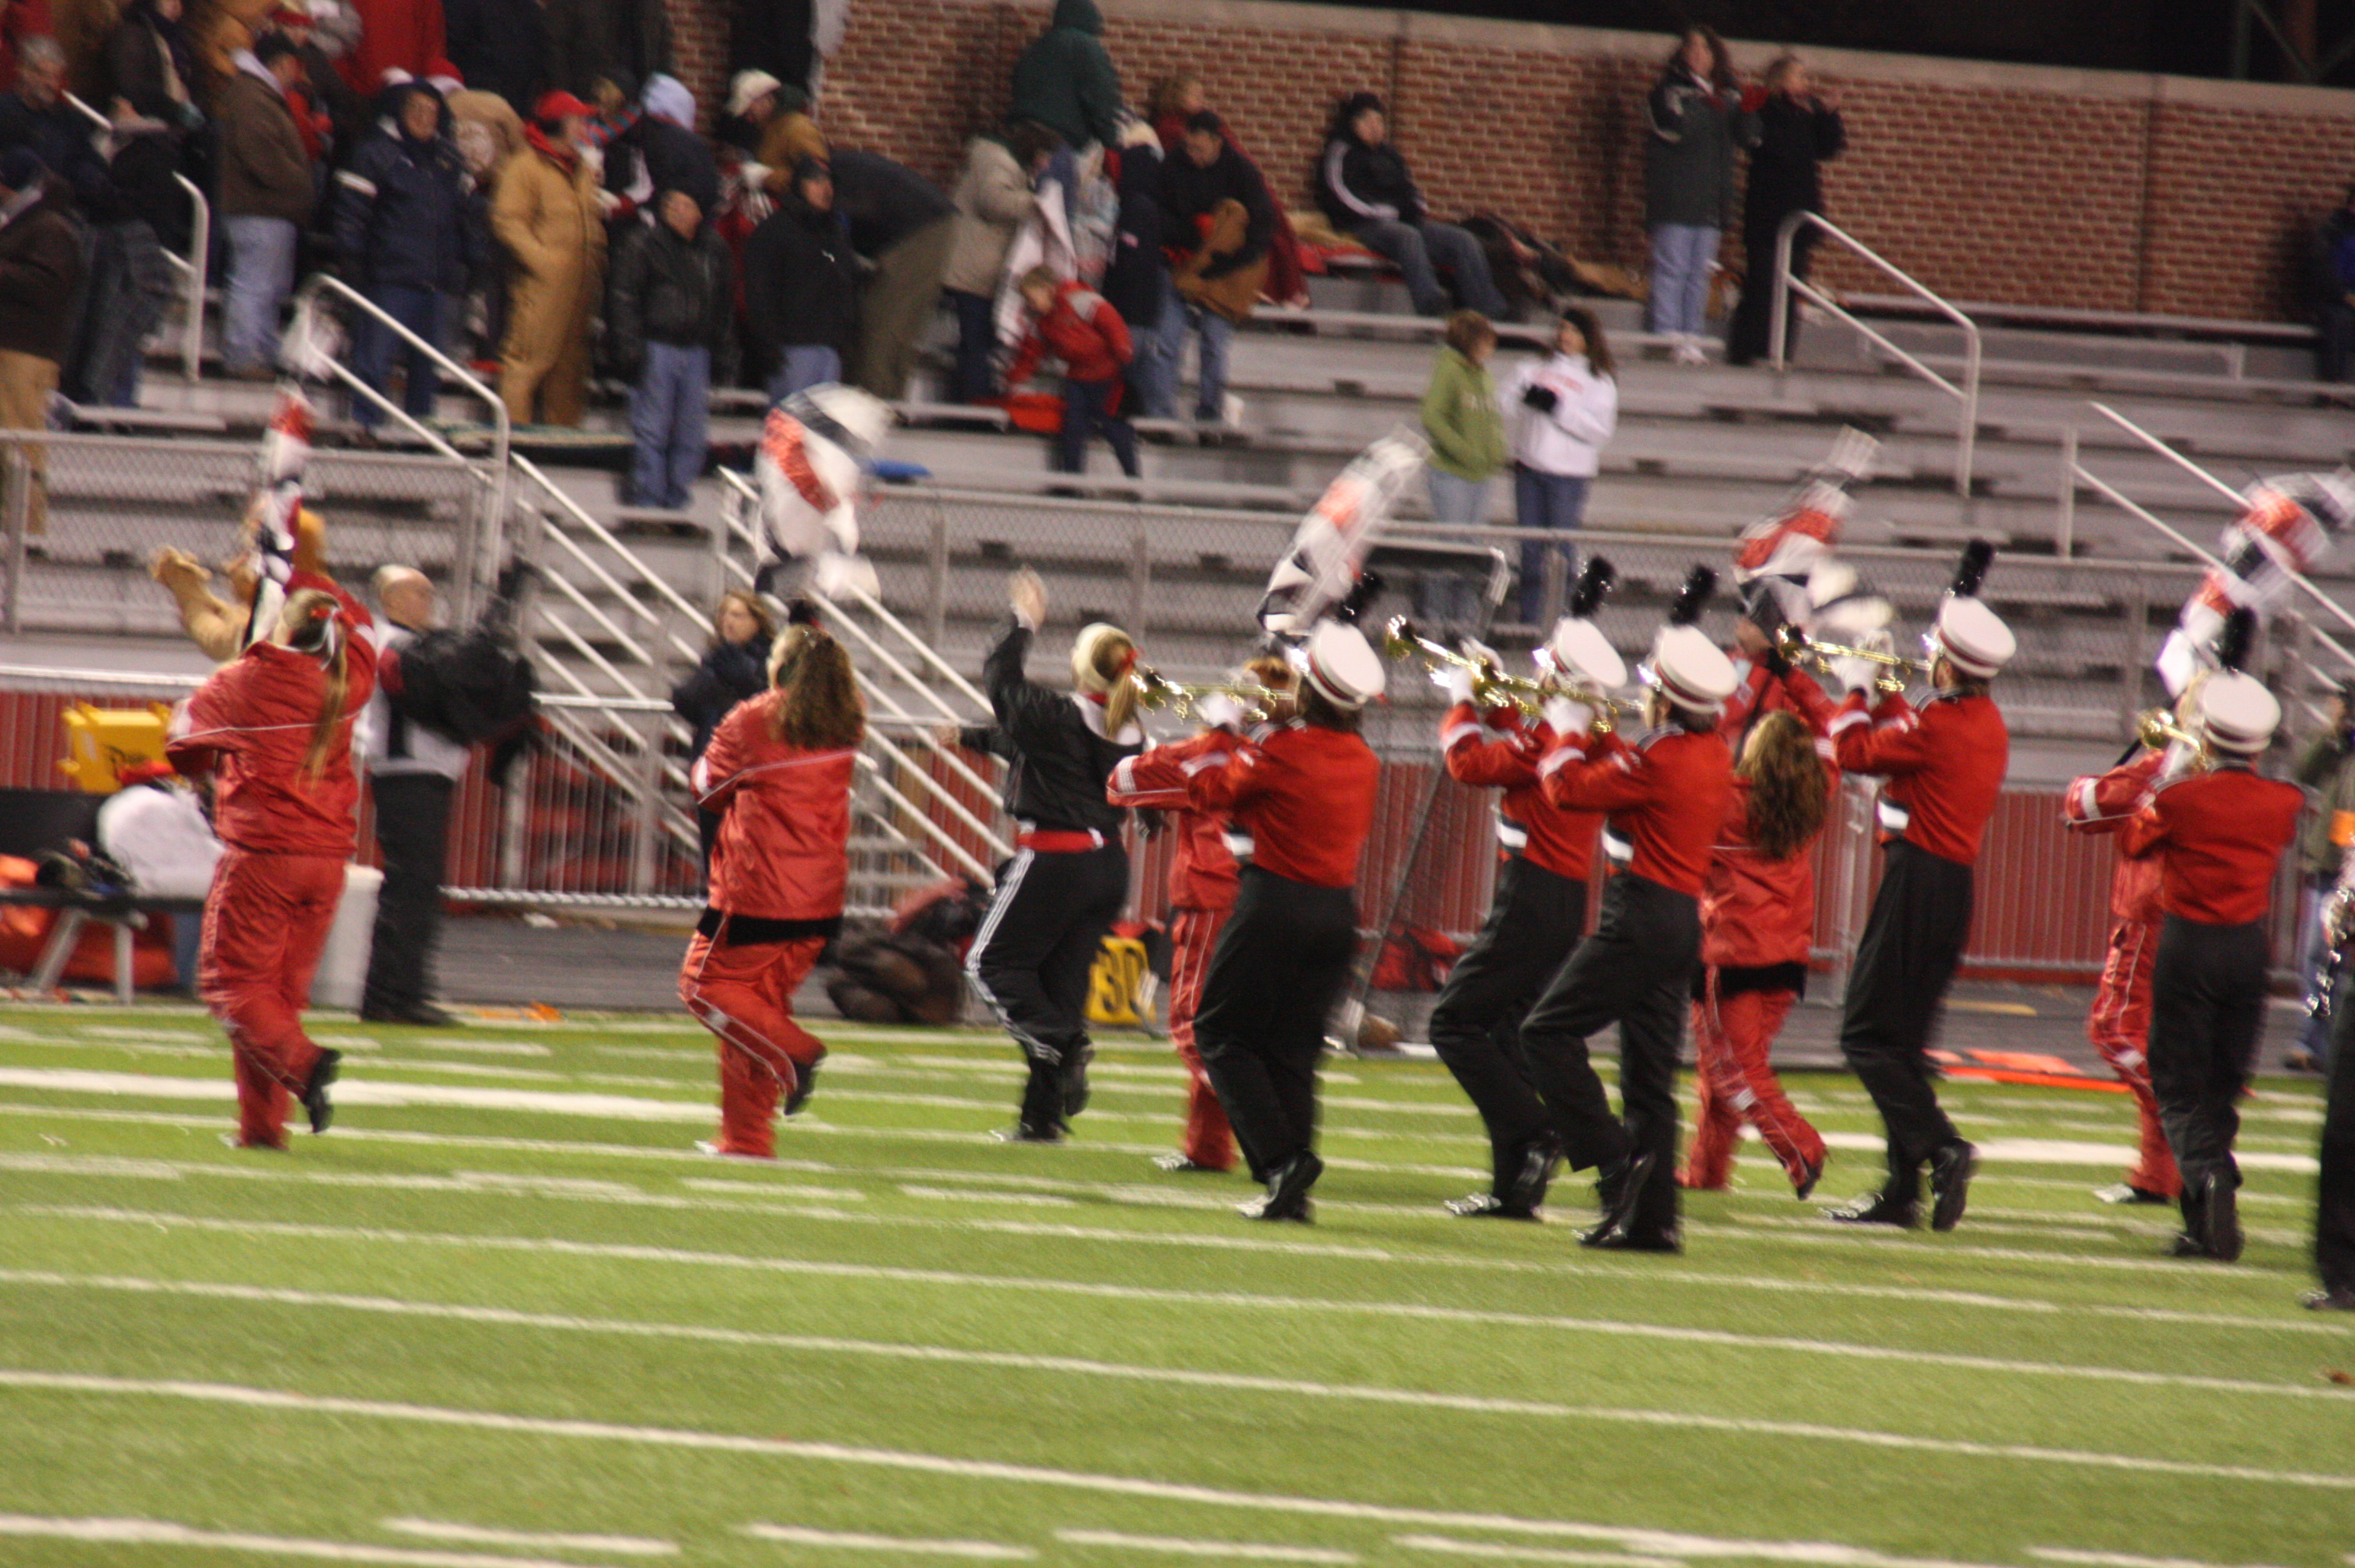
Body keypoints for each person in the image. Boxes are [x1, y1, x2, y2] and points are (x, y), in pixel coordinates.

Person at [1508, 593, 1737, 1250]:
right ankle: (1655, 1222)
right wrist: (1591, 728)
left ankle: (1615, 1159)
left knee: (1545, 1034)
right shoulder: (1710, 751)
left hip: (1639, 916)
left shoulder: (1661, 756)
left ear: (1665, 698)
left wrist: (1565, 724)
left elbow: (1564, 789)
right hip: (1678, 925)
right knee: (1649, 1081)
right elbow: (1625, 777)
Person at [165, 558, 379, 1150]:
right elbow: (357, 620)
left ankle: (308, 1066)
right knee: (274, 1001)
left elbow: (182, 739)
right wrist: (295, 569)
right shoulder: (352, 673)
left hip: (265, 854)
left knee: (231, 987)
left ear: (280, 626)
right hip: (328, 858)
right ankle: (262, 1131)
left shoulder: (251, 679)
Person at [1823, 568, 2013, 1232]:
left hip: (1917, 882)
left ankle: (1942, 1148)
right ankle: (1901, 1191)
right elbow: (1907, 742)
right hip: (1949, 887)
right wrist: (1887, 697)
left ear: (1951, 662)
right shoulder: (1981, 719)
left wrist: (1854, 685)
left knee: (1865, 1036)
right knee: (1901, 1044)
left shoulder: (1935, 721)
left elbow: (1850, 752)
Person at [1184, 622, 1383, 1221]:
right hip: (1336, 915)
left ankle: (1279, 1163)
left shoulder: (1282, 749)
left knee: (1218, 1034)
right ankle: (1292, 1184)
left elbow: (1211, 789)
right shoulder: (1366, 758)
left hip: (1274, 904)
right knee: (1293, 1052)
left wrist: (1223, 725)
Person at [2122, 673, 2302, 1262]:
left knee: (2176, 1085)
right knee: (2221, 1088)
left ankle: (2210, 1178)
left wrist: (2173, 775)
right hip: (2249, 952)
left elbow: (2133, 843)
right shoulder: (2284, 801)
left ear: (2209, 734)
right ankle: (2205, 1227)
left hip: (2190, 946)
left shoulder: (2179, 798)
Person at [964, 567, 1145, 1143]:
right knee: (1061, 989)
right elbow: (1026, 738)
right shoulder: (1128, 724)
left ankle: (1066, 1047)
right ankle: (1042, 1118)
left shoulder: (1061, 715)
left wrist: (1023, 620)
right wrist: (969, 737)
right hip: (1106, 865)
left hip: (1055, 859)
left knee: (988, 965)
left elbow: (1001, 680)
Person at [1425, 647, 1604, 1218]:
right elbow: (1513, 747)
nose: (1538, 679)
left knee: (1452, 1023)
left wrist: (1461, 698)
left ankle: (1538, 1131)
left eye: (1548, 672)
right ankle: (1513, 1190)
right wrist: (1493, 698)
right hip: (1562, 899)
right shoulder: (1572, 739)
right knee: (1508, 1037)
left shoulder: (1549, 742)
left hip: (1532, 896)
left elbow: (1468, 764)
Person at [1104, 654, 1299, 1174]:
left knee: (1193, 1027)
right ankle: (1208, 1148)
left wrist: (1211, 731)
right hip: (1271, 899)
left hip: (1213, 898)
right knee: (1230, 1026)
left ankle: (1268, 1132)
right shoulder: (1284, 752)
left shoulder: (1214, 755)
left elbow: (1121, 781)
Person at [680, 616, 863, 1159]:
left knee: (702, 987)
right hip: (820, 894)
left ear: (780, 665)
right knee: (753, 1014)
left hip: (760, 888)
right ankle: (748, 1138)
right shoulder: (846, 715)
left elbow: (708, 786)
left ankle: (798, 1054)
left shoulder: (757, 716)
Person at [1679, 706, 1833, 1198]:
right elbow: (1834, 739)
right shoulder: (1813, 802)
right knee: (1727, 1067)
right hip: (1787, 957)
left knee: (1733, 1070)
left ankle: (1799, 1146)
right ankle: (1706, 1172)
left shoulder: (1727, 804)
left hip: (1734, 955)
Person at [2061, 740, 2180, 1207]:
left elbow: (2089, 806)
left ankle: (2190, 1132)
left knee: (2116, 1030)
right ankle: (2159, 1174)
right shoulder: (2242, 777)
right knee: (2162, 1040)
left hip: (2152, 915)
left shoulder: (2167, 772)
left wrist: (2148, 763)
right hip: (2203, 926)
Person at [355, 564, 469, 1027]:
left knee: (417, 886)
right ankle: (393, 995)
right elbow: (427, 697)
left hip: (420, 772)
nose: (430, 601)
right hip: (407, 772)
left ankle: (402, 990)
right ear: (392, 599)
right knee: (411, 887)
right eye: (419, 593)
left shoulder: (403, 644)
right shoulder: (392, 645)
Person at [336, 78, 477, 436]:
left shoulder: (450, 160)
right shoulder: (375, 153)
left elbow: (467, 217)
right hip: (390, 277)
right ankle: (366, 427)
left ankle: (419, 434)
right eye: (416, 109)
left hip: (436, 282)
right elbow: (351, 214)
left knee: (426, 367)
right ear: (400, 111)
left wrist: (468, 263)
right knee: (374, 358)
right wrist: (352, 260)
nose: (424, 118)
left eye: (431, 111)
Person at [1314, 92, 1507, 320]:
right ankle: (1431, 303)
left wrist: (1417, 206)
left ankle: (1489, 309)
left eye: (1379, 121)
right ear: (1353, 123)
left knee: (1463, 240)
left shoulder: (1389, 154)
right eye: (1368, 121)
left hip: (1403, 220)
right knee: (1408, 236)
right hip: (1362, 224)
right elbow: (1340, 196)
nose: (1375, 127)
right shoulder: (1340, 151)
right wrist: (1389, 213)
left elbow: (1409, 188)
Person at [1146, 109, 1272, 428]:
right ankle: (1162, 419)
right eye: (1188, 147)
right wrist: (1192, 234)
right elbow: (1156, 215)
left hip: (1223, 270)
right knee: (1166, 342)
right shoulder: (1173, 167)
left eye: (1199, 149)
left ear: (1218, 143)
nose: (1192, 154)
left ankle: (1209, 417)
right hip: (1179, 262)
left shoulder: (1242, 171)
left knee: (1215, 344)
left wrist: (1233, 258)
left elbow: (1262, 224)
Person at [492, 88, 606, 426]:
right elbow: (506, 220)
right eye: (578, 120)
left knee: (570, 372)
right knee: (527, 363)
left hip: (580, 288)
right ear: (559, 124)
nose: (585, 127)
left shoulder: (582, 169)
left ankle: (561, 448)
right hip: (542, 288)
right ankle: (513, 447)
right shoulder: (525, 166)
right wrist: (544, 263)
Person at [609, 187, 728, 508]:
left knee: (691, 435)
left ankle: (677, 499)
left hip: (697, 351)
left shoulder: (713, 250)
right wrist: (629, 347)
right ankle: (648, 499)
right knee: (652, 431)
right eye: (671, 205)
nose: (677, 210)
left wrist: (724, 353)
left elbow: (723, 306)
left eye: (685, 204)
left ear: (700, 213)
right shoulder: (643, 244)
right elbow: (624, 298)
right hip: (656, 346)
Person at [1148, 71, 1307, 309]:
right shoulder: (1176, 137)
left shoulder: (1218, 145)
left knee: (1270, 224)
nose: (1202, 102)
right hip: (1203, 220)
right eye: (1196, 96)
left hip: (1236, 207)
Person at [1724, 53, 1845, 367]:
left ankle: (1781, 353)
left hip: (1799, 216)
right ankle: (1750, 351)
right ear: (1780, 80)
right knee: (1762, 286)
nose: (1805, 84)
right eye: (1799, 77)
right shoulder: (1763, 107)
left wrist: (1830, 115)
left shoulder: (1807, 114)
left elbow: (1829, 148)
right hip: (1767, 214)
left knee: (1792, 289)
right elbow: (1758, 141)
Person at [1644, 25, 1755, 363]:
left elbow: (1750, 138)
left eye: (1704, 49)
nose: (1696, 55)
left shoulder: (1727, 96)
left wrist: (1745, 107)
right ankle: (1666, 336)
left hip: (1712, 200)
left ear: (1715, 56)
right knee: (1672, 269)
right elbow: (1672, 130)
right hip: (1676, 199)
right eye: (1690, 48)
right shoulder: (1668, 91)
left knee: (1699, 273)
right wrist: (1709, 109)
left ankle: (1691, 336)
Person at [1499, 309, 1617, 626]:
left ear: (1588, 338)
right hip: (1529, 470)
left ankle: (1563, 621)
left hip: (1569, 477)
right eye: (1563, 329)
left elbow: (1600, 432)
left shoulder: (1599, 380)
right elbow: (1502, 400)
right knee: (1530, 551)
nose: (1566, 337)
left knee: (1562, 551)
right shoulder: (1534, 366)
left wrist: (1558, 408)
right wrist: (1526, 397)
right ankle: (1530, 620)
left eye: (1575, 332)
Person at [216, 31, 313, 378]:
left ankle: (258, 354)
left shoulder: (258, 95)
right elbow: (262, 155)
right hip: (258, 210)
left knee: (267, 288)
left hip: (268, 210)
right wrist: (301, 183)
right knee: (254, 285)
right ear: (283, 64)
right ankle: (242, 356)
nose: (297, 75)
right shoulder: (253, 97)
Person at [942, 118, 1055, 404]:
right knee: (976, 345)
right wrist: (1037, 202)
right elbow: (994, 202)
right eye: (1044, 156)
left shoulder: (998, 160)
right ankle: (973, 409)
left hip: (976, 269)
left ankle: (966, 403)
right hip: (973, 272)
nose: (1045, 164)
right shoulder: (999, 163)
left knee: (976, 344)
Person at [827, 147, 954, 401]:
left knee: (880, 331)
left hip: (919, 233)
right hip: (925, 228)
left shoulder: (832, 176)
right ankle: (880, 406)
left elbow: (843, 226)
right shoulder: (838, 166)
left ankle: (870, 413)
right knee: (888, 333)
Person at [0, 145, 79, 541]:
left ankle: (28, 532)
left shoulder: (49, 227)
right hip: (15, 351)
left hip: (25, 354)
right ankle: (14, 529)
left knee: (20, 443)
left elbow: (47, 285)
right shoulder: (34, 224)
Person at [1004, 263, 1139, 480]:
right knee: (1072, 431)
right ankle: (1072, 483)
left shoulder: (1080, 300)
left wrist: (1123, 359)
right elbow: (1031, 353)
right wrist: (1014, 380)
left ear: (1047, 288)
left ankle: (1134, 480)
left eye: (1031, 298)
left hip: (1107, 375)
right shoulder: (1041, 320)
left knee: (1114, 429)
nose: (1030, 304)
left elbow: (1113, 326)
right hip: (1078, 378)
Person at [671, 590, 773, 873]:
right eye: (725, 615)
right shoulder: (715, 660)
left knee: (748, 848)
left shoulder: (773, 660)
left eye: (738, 615)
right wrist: (705, 683)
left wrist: (747, 682)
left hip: (753, 772)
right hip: (712, 767)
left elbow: (774, 709)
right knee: (714, 849)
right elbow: (687, 703)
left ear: (757, 621)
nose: (729, 622)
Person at [742, 154, 856, 400]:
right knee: (790, 432)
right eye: (816, 182)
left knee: (821, 436)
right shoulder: (775, 232)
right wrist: (768, 344)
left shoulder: (836, 232)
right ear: (800, 186)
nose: (825, 190)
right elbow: (759, 292)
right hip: (791, 351)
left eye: (829, 183)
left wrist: (847, 338)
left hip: (830, 349)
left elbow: (848, 286)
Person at [2287, 688, 2355, 1072]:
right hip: (2332, 865)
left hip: (2349, 864)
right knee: (2318, 956)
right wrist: (2333, 735)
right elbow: (2303, 773)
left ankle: (2333, 1046)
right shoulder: (2339, 745)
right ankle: (2313, 1043)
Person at [1419, 310, 1504, 525]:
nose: (1490, 348)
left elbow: (1492, 417)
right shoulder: (1449, 371)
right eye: (1485, 341)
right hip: (1452, 473)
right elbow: (1432, 416)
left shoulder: (1484, 374)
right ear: (1469, 341)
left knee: (1473, 545)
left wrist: (1496, 451)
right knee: (1453, 544)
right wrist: (1465, 453)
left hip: (1482, 473)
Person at [1007, 0, 1121, 156]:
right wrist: (1111, 142)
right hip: (1060, 141)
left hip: (1021, 136)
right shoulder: (1087, 47)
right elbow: (1101, 98)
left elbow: (1018, 87)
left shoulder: (1036, 47)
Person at [440, 0, 547, 117]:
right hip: (478, 98)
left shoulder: (530, 9)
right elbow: (456, 49)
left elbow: (536, 56)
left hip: (520, 100)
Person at [2310, 185, 2355, 384]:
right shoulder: (2333, 229)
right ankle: (2333, 384)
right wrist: (2345, 295)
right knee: (2339, 320)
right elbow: (2322, 269)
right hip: (2335, 299)